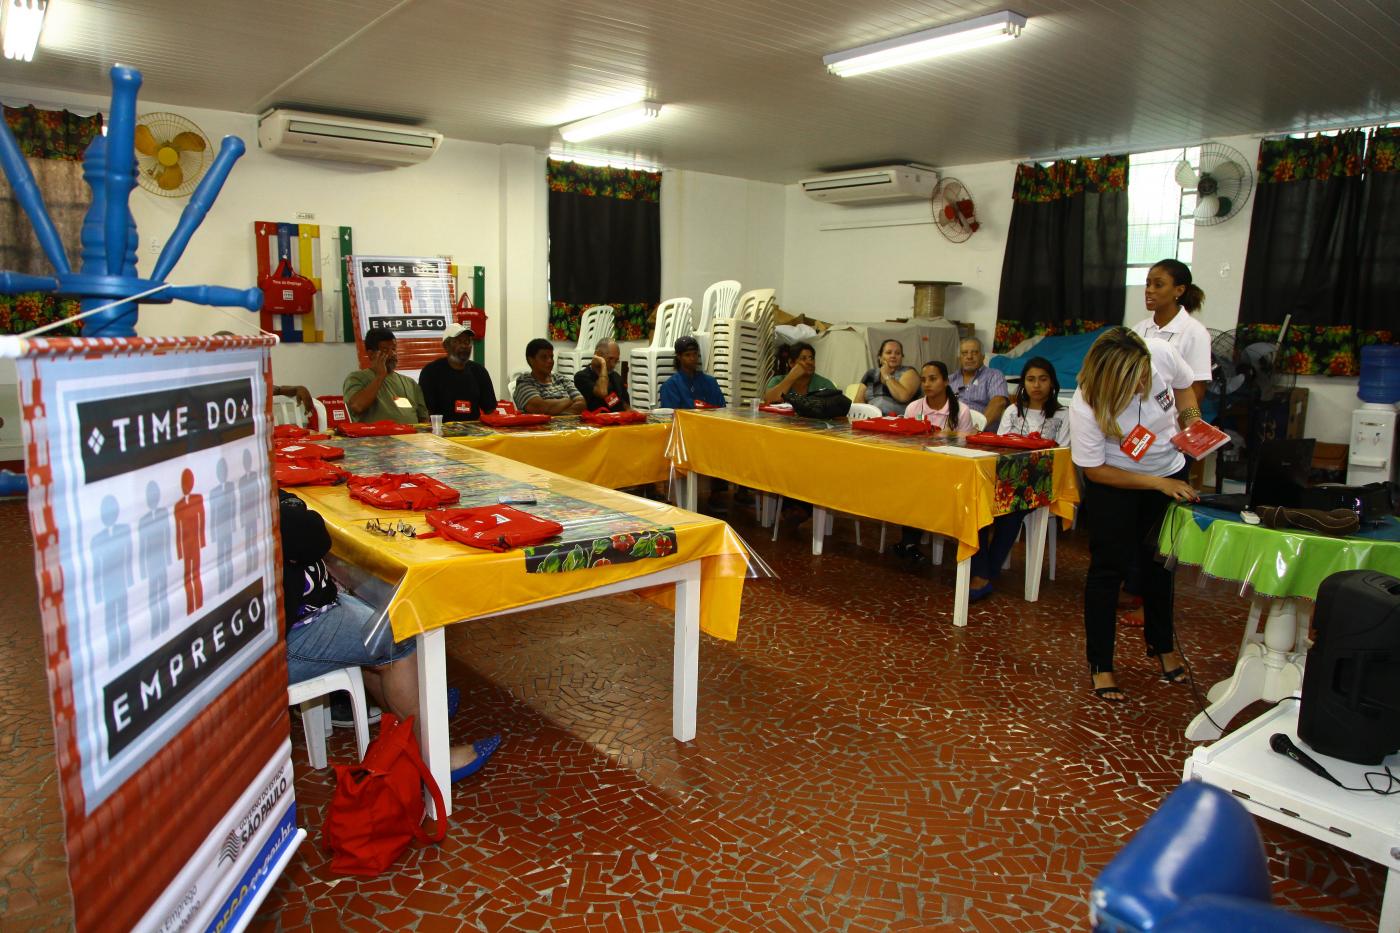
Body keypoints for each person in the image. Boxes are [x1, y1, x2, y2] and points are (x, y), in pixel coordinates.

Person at [280, 491, 500, 781]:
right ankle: (434, 757)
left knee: (381, 613)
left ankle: (408, 722)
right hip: (291, 636)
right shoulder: (242, 508)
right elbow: (312, 534)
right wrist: (289, 507)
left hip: (306, 614)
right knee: (402, 634)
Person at [1070, 328, 1201, 703]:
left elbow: (1185, 388)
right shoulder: (1086, 404)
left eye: (1145, 374)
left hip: (1170, 468)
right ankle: (1101, 664)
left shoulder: (1160, 352)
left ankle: (1162, 646)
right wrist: (1156, 484)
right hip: (1116, 481)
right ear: (1112, 379)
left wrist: (1192, 423)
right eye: (1135, 380)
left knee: (1161, 564)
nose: (1145, 382)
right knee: (1108, 570)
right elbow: (1094, 470)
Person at [964, 357, 1072, 601]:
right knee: (976, 500)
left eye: (1043, 379)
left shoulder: (1064, 414)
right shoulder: (1013, 410)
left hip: (1041, 482)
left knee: (1010, 510)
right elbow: (1001, 447)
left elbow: (1062, 452)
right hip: (1009, 479)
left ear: (1052, 383)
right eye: (1031, 379)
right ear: (1023, 383)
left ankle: (983, 574)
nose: (1036, 385)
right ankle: (984, 571)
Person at [890, 361, 974, 561]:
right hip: (920, 466)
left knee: (923, 485)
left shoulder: (961, 411)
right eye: (923, 379)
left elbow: (965, 448)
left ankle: (909, 542)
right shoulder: (914, 407)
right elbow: (907, 443)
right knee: (910, 481)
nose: (927, 384)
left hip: (951, 469)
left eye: (933, 379)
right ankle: (909, 542)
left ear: (946, 381)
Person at [1131, 259, 1211, 403]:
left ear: (1179, 290)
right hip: (1138, 415)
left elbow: (1196, 391)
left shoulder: (1195, 332)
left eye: (1158, 285)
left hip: (1173, 419)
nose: (1149, 290)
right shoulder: (1138, 330)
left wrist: (1182, 424)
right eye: (1148, 284)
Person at [344, 328, 429, 424]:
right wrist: (380, 375)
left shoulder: (410, 383)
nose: (392, 354)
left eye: (393, 349)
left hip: (411, 437)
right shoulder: (356, 378)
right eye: (385, 350)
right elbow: (357, 406)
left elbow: (423, 419)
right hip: (376, 438)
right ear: (371, 354)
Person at [418, 322, 497, 421]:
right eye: (458, 341)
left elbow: (490, 409)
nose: (464, 346)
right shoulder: (430, 372)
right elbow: (425, 412)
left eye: (467, 341)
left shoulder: (479, 371)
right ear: (446, 346)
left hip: (474, 432)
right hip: (442, 432)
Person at [948, 337, 1011, 428]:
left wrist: (977, 429)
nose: (969, 357)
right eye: (965, 353)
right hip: (952, 432)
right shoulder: (949, 380)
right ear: (959, 358)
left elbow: (999, 402)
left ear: (983, 356)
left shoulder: (994, 376)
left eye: (975, 352)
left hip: (982, 434)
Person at [513, 338, 586, 414]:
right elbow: (539, 408)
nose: (550, 361)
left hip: (569, 424)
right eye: (544, 357)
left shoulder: (562, 379)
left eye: (551, 357)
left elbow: (582, 404)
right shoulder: (524, 382)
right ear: (531, 360)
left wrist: (555, 411)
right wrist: (568, 401)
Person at [659, 335, 726, 410]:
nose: (692, 358)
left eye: (695, 354)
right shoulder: (670, 387)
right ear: (679, 357)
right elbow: (671, 418)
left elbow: (722, 410)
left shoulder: (710, 382)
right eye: (687, 355)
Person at [854, 339, 919, 416]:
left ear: (902, 357)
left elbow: (903, 397)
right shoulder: (871, 373)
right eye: (888, 352)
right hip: (871, 418)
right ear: (880, 357)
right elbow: (858, 402)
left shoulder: (909, 372)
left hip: (898, 420)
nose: (893, 356)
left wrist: (886, 375)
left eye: (897, 353)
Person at [762, 342, 836, 403]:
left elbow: (839, 411)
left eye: (811, 358)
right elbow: (768, 400)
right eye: (803, 358)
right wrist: (791, 377)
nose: (810, 362)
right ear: (791, 362)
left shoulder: (825, 385)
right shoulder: (777, 380)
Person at [573, 338, 631, 412]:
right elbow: (602, 392)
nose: (613, 364)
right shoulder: (581, 377)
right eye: (610, 359)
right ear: (597, 355)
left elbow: (626, 406)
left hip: (617, 420)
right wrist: (603, 364)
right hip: (595, 421)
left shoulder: (616, 377)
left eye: (616, 361)